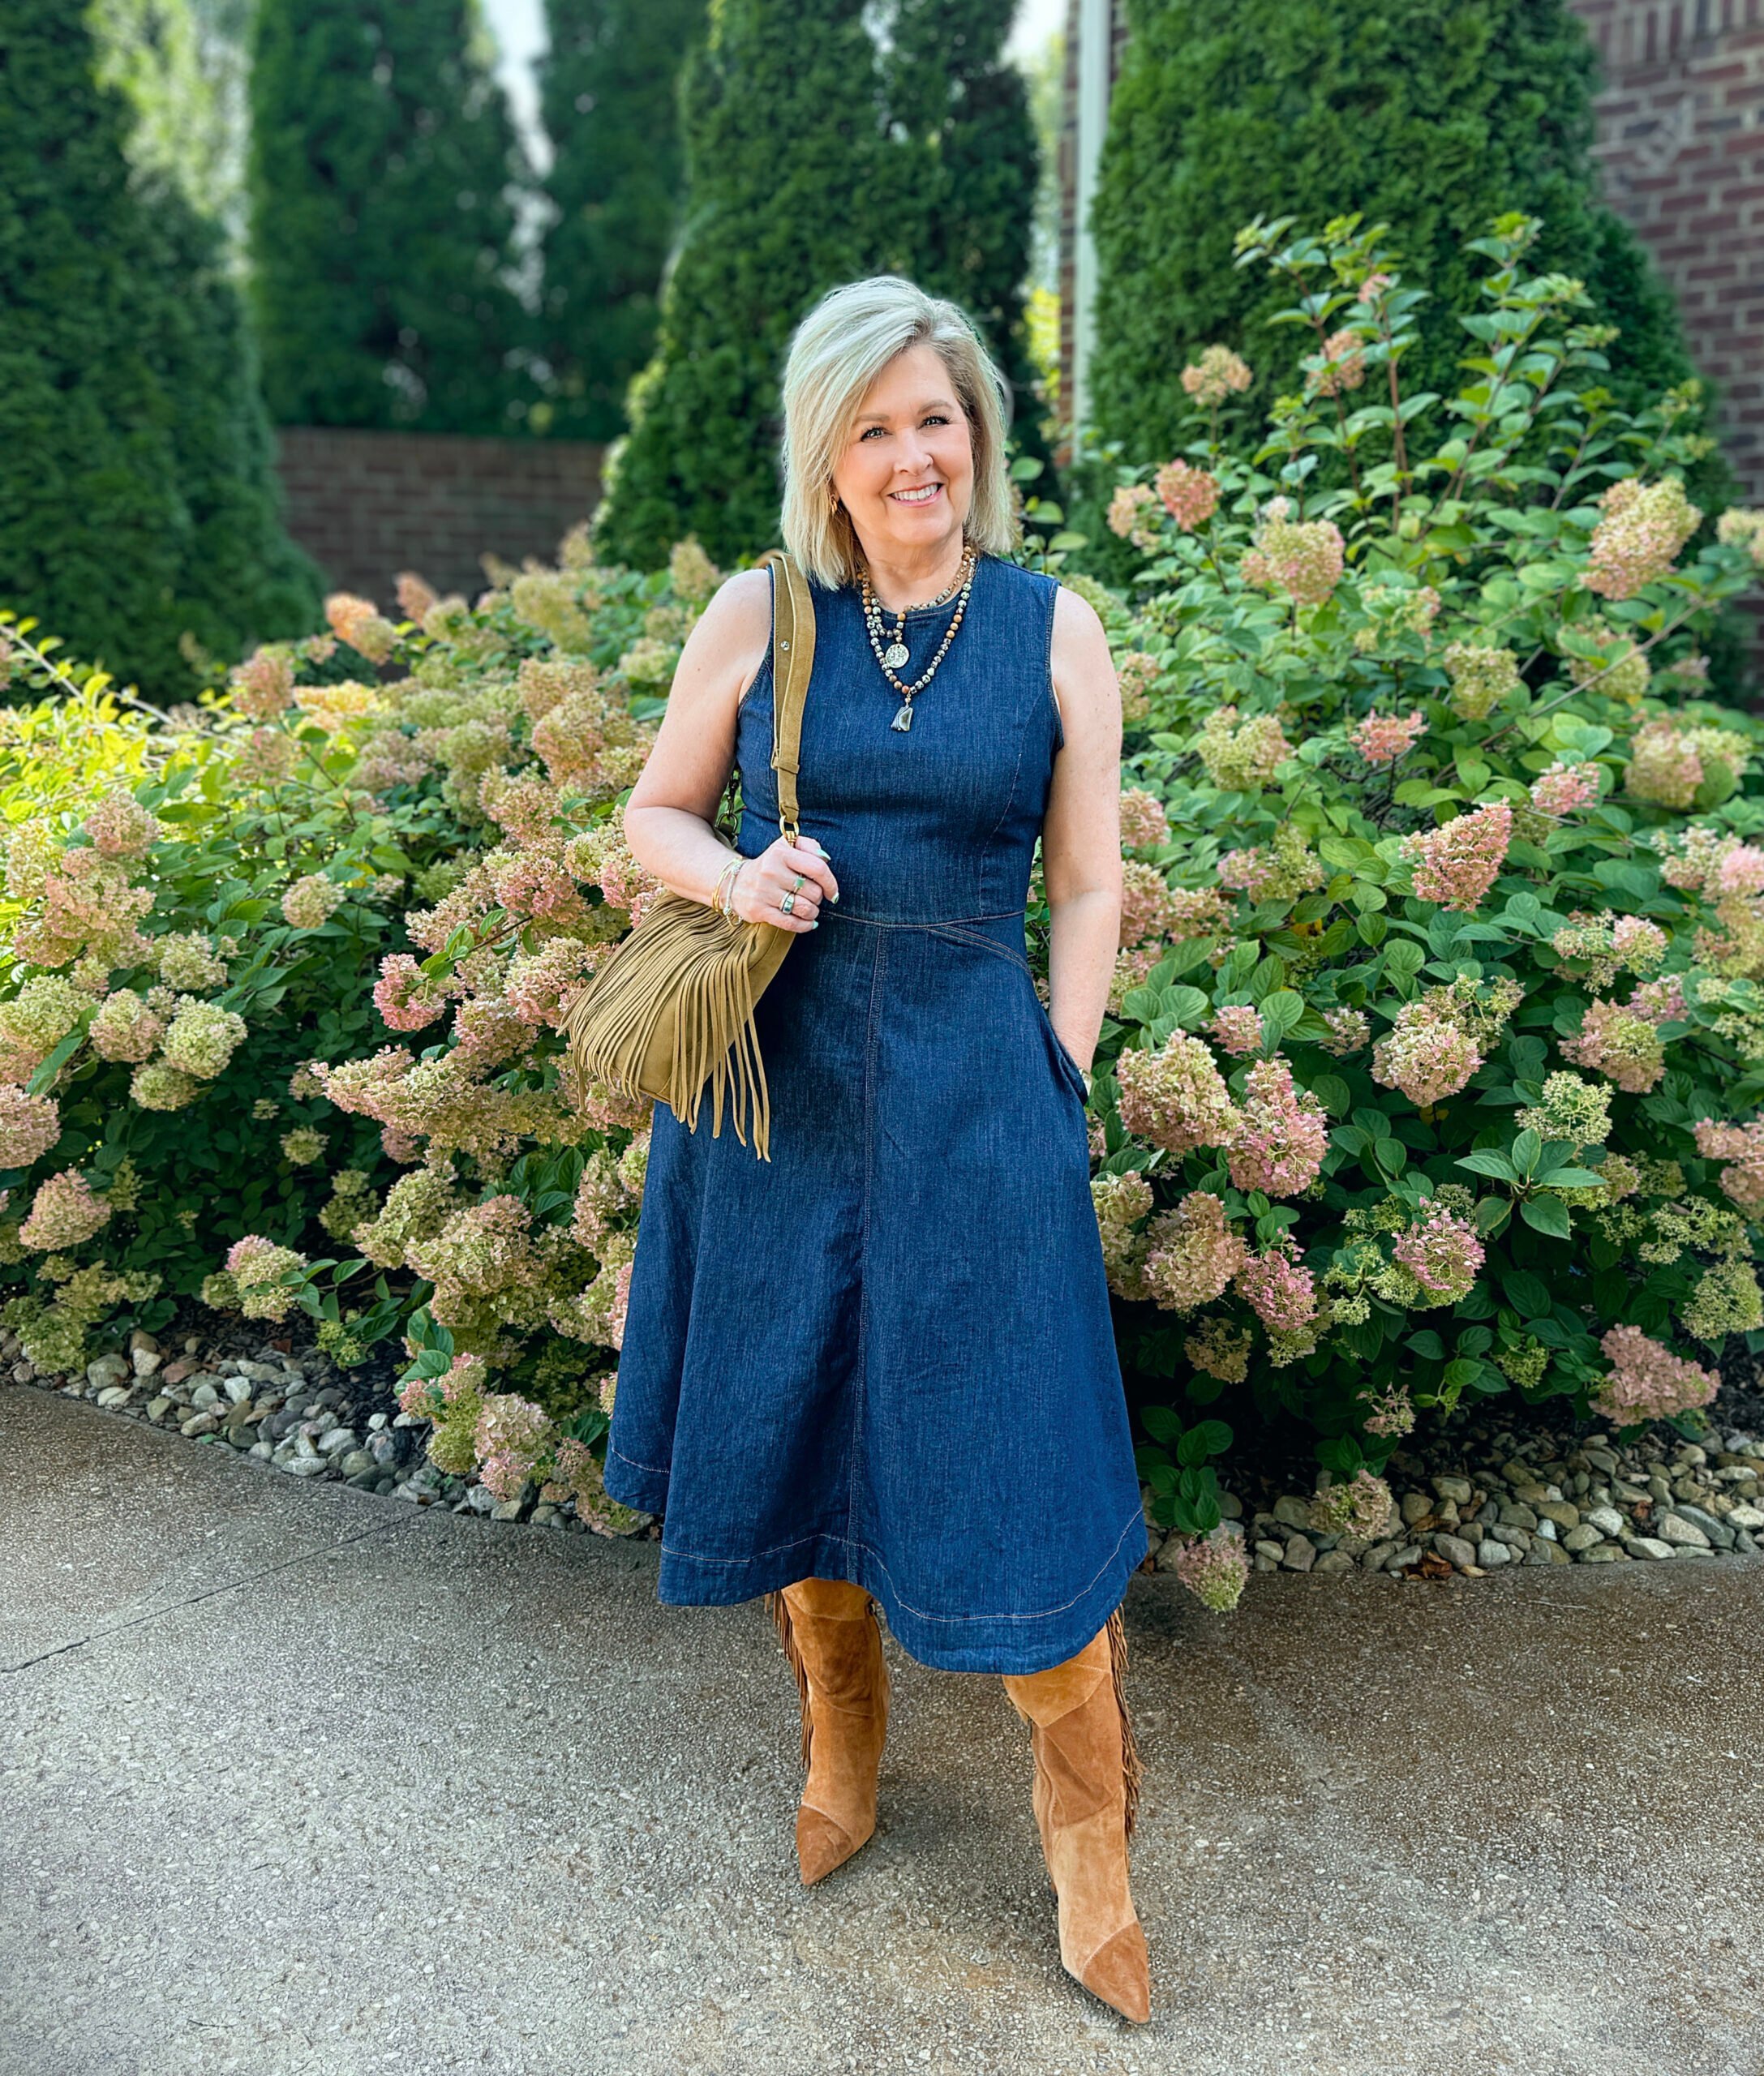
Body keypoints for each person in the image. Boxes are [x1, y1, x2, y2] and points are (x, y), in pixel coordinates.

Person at [602, 275, 1150, 2022]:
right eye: (876, 427)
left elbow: (1088, 882)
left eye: (938, 419)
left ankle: (1088, 1836)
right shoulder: (760, 614)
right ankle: (842, 1733)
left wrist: (1059, 1068)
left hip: (977, 1098)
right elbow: (652, 813)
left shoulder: (1053, 628)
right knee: (799, 1424)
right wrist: (736, 872)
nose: (915, 455)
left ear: (976, 434)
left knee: (1012, 1450)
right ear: (823, 454)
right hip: (776, 1097)